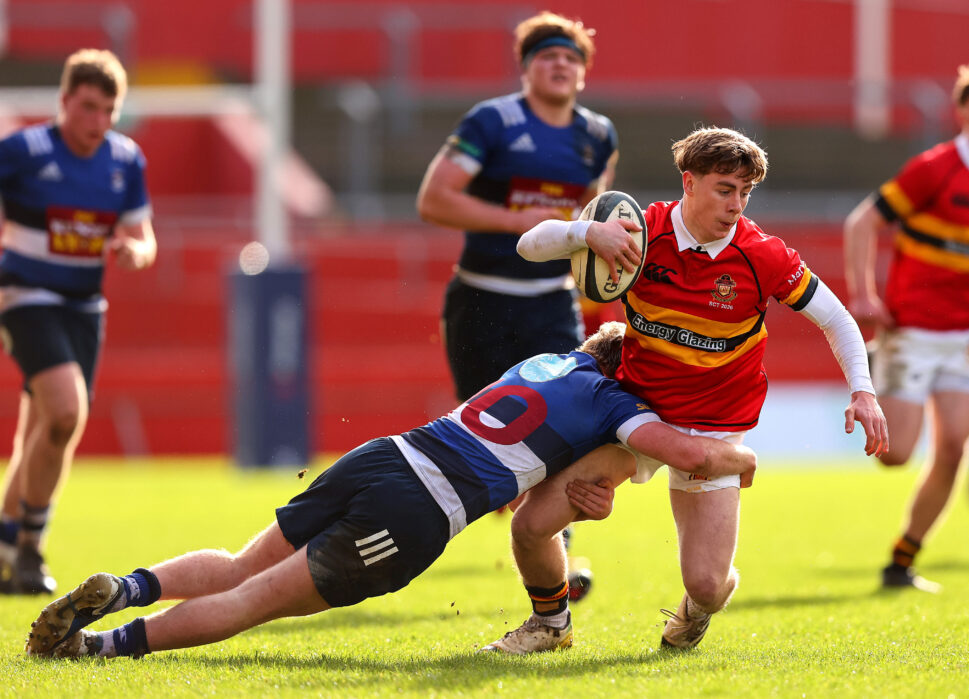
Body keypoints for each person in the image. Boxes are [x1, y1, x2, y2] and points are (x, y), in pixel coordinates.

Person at [24, 322, 757, 660]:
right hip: (417, 507)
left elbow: (538, 455)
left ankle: (127, 585)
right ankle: (101, 647)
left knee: (243, 561)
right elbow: (684, 449)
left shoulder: (545, 360)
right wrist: (738, 452)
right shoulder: (616, 405)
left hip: (387, 452)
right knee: (255, 601)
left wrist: (581, 488)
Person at [486, 126, 889, 654]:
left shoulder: (761, 255)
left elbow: (836, 320)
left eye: (746, 192)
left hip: (716, 428)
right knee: (532, 524)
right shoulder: (639, 229)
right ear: (689, 182)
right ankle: (549, 625)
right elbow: (528, 245)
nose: (737, 204)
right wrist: (586, 235)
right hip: (633, 413)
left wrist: (863, 391)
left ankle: (698, 610)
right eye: (725, 189)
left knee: (706, 586)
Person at [415, 10, 618, 599]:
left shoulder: (597, 133)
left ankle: (564, 561)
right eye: (548, 56)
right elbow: (434, 200)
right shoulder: (494, 121)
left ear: (583, 73)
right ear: (527, 68)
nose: (560, 65)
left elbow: (595, 216)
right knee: (490, 437)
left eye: (571, 58)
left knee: (565, 430)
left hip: (551, 304)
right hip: (480, 300)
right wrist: (515, 220)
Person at [0, 48, 156, 594]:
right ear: (64, 101)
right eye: (87, 108)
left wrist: (136, 252)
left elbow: (144, 236)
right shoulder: (23, 150)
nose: (97, 123)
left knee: (43, 431)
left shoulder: (125, 159)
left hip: (85, 308)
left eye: (108, 111)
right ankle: (30, 551)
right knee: (66, 413)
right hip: (24, 296)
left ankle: (4, 544)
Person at [843, 65, 969, 593]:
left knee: (955, 444)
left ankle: (902, 560)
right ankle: (876, 364)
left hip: (962, 338)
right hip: (913, 328)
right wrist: (864, 294)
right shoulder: (935, 168)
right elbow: (861, 222)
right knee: (895, 455)